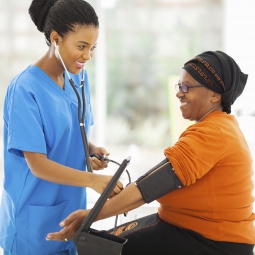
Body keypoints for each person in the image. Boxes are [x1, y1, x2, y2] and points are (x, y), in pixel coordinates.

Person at [47, 51, 255, 255]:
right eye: (179, 85)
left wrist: (89, 216)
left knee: (98, 247)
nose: (179, 92)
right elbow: (153, 180)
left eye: (187, 87)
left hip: (210, 240)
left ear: (215, 95)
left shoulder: (213, 133)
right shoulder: (218, 127)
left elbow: (149, 187)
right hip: (187, 226)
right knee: (101, 241)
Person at [0, 0, 123, 254]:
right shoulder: (25, 89)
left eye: (93, 48)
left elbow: (70, 132)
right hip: (31, 227)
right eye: (81, 46)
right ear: (55, 38)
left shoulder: (79, 77)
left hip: (71, 217)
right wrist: (93, 180)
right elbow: (37, 163)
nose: (87, 56)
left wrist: (89, 149)